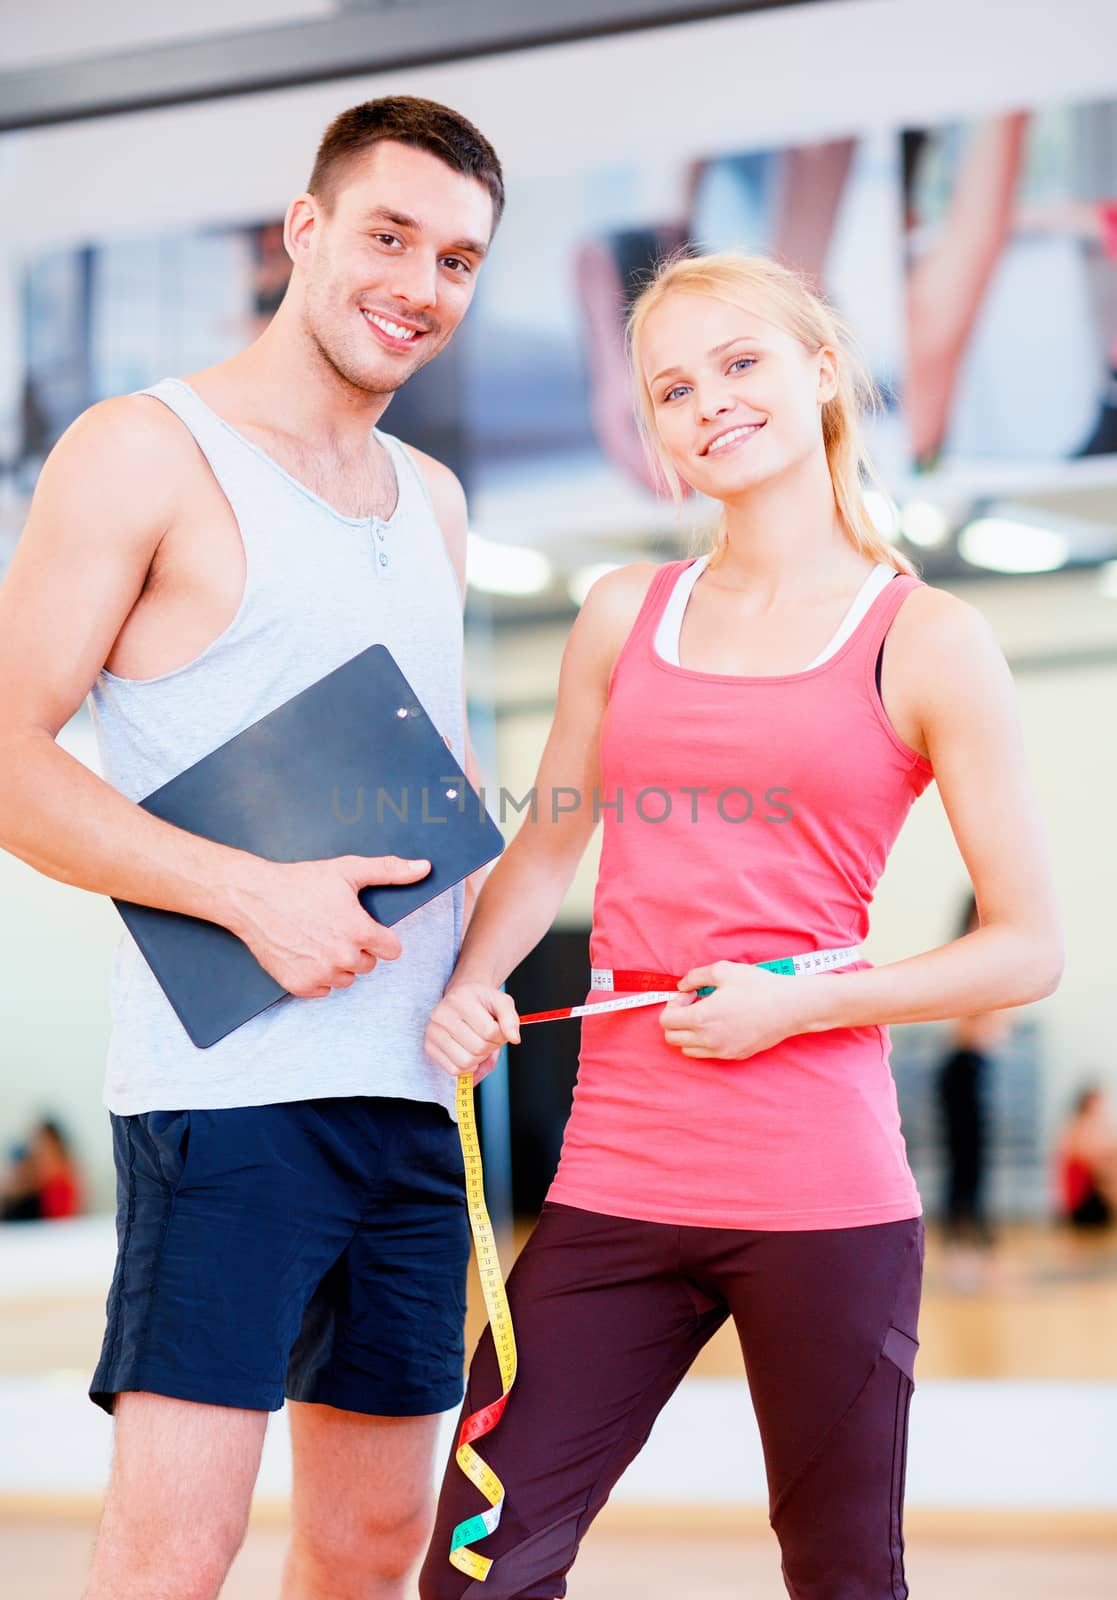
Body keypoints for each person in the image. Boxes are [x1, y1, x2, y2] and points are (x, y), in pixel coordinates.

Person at [416, 251, 1064, 1600]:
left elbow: (1026, 946)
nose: (708, 400)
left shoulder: (926, 638)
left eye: (741, 362)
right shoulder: (620, 616)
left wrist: (798, 1003)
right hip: (615, 1179)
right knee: (478, 1566)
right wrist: (470, 985)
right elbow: (544, 853)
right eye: (672, 387)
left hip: (824, 1194)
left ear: (820, 370)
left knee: (839, 1576)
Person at [0, 96, 503, 1600]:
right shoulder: (143, 450)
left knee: (371, 1545)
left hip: (417, 1098)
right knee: (176, 1551)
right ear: (304, 229)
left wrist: (479, 966)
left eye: (460, 259)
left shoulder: (439, 502)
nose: (421, 282)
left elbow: (446, 784)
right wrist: (249, 896)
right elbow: (10, 760)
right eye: (390, 235)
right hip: (229, 1104)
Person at [935, 892, 1015, 1251]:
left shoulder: (983, 956)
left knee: (974, 1153)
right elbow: (963, 1026)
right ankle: (961, 1222)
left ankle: (971, 1221)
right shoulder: (969, 956)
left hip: (974, 1064)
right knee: (963, 1152)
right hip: (963, 1064)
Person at [0, 1118, 83, 1221]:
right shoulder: (23, 1179)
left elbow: (62, 1220)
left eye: (45, 1149)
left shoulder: (63, 1181)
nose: (38, 1151)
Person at [1057, 1086, 1117, 1229]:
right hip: (1083, 1197)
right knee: (1109, 1174)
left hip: (1093, 1191)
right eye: (1097, 1103)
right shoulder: (1078, 1127)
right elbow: (1090, 1157)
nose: (1101, 1108)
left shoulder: (1095, 1127)